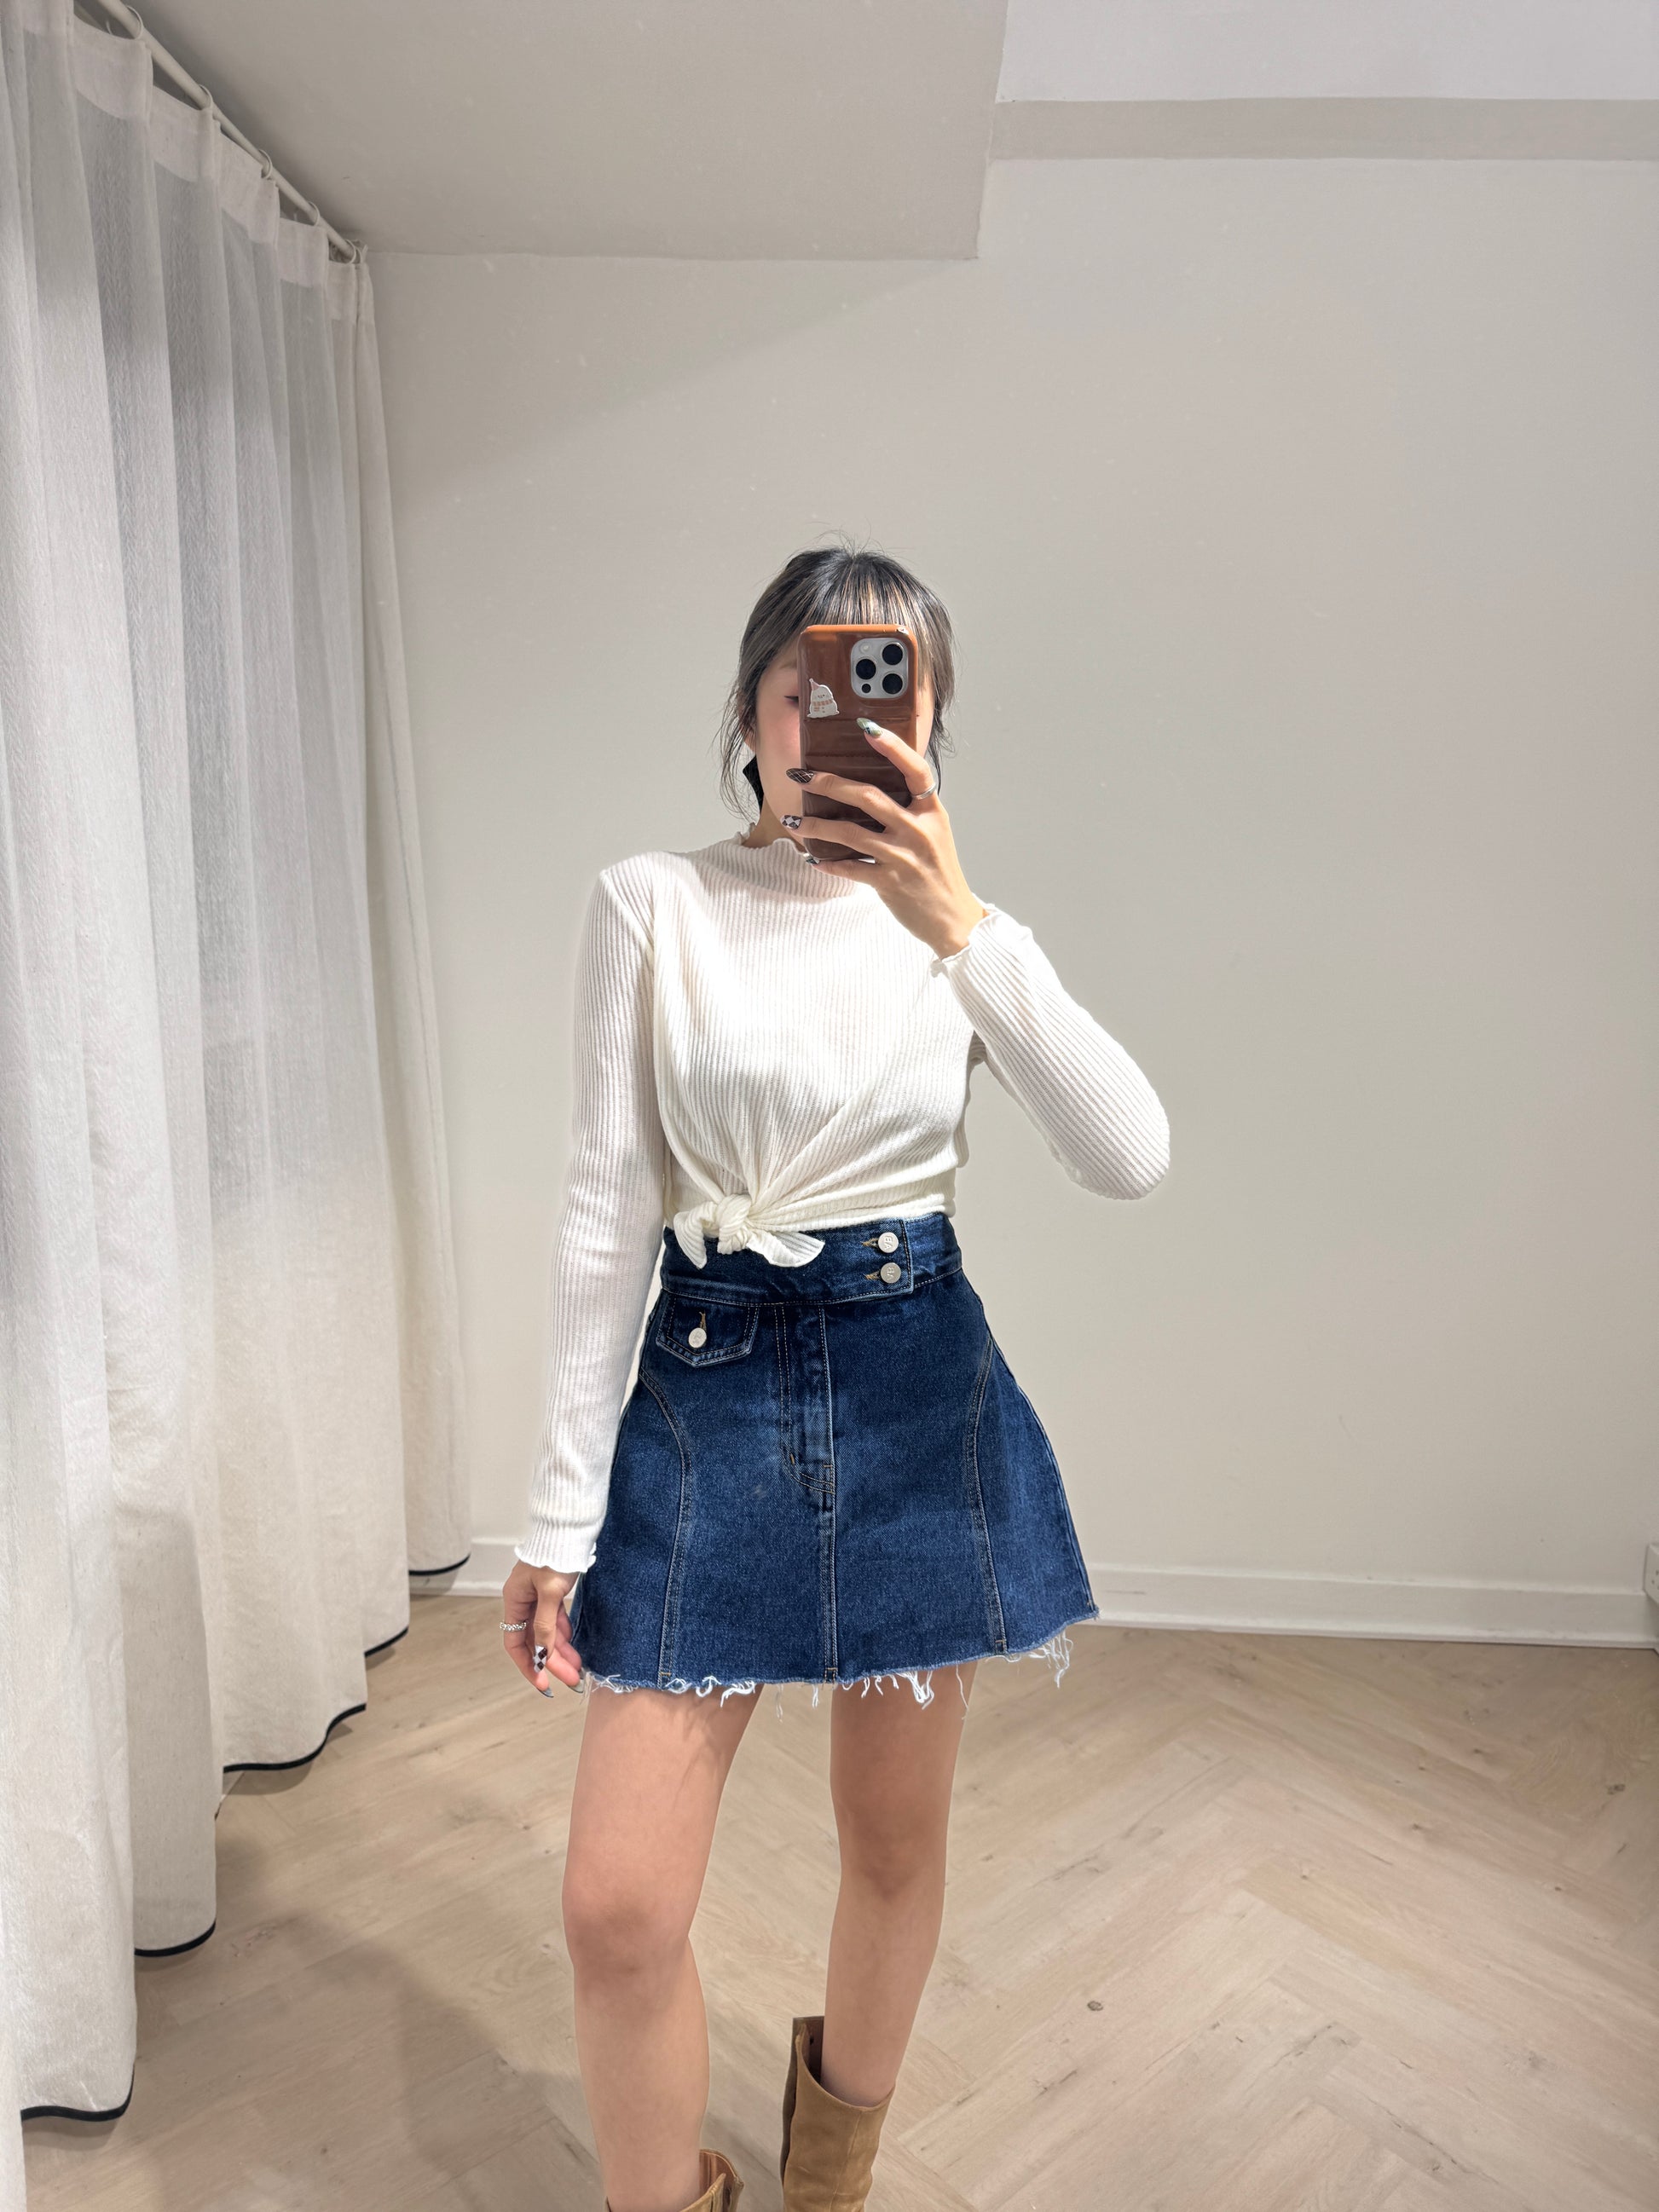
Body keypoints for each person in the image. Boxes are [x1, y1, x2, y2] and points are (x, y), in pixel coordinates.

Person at [500, 541, 1171, 2212]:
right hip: (707, 1390)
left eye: (884, 686)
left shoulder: (955, 933)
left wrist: (959, 926)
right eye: (804, 682)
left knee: (890, 1844)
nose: (836, 718)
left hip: (910, 1389)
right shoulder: (652, 902)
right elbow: (601, 1216)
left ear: (925, 725)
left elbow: (1129, 1153)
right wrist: (556, 1514)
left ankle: (829, 2184)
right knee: (616, 1908)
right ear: (749, 709)